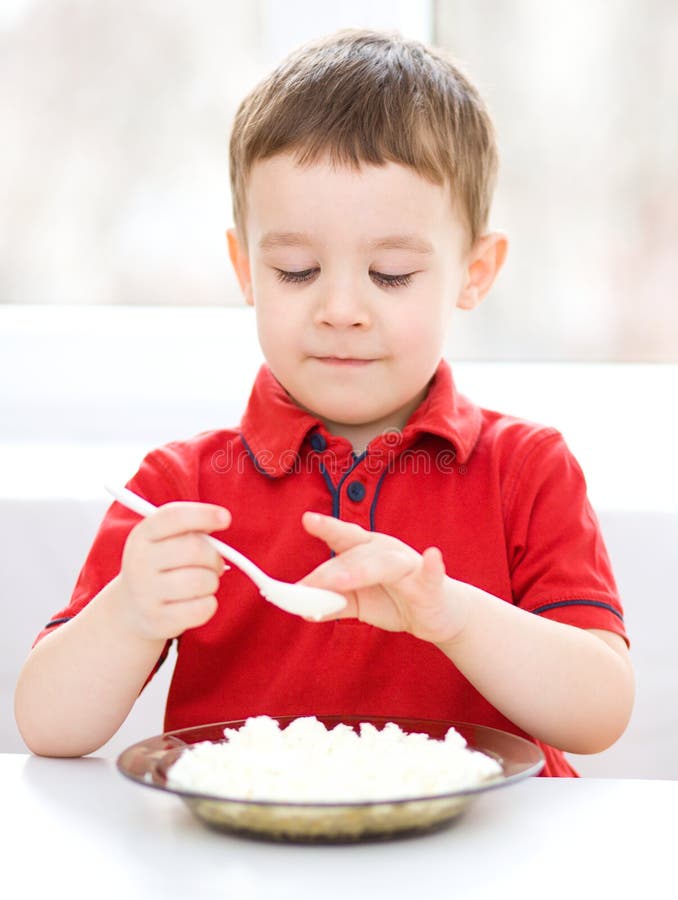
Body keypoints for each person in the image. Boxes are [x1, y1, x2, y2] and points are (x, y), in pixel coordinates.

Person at [14, 29, 634, 774]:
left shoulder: (527, 469)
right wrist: (129, 613)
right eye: (298, 270)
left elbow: (600, 712)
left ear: (474, 272)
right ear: (246, 268)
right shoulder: (181, 490)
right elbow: (47, 727)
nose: (341, 308)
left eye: (392, 274)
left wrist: (453, 617)